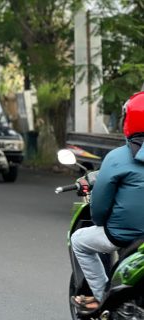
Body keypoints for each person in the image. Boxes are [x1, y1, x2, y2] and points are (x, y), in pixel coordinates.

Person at [70, 92, 144, 314]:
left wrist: (101, 220)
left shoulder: (118, 157)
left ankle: (103, 298)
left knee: (79, 240)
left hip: (125, 235)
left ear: (128, 121)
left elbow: (99, 209)